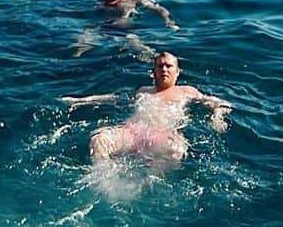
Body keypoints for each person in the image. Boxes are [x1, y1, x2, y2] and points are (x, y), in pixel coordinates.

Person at [62, 51, 230, 163]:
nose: (164, 69)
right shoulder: (143, 90)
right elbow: (115, 99)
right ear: (154, 71)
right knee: (99, 139)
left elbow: (218, 103)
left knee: (177, 149)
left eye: (169, 66)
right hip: (132, 131)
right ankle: (104, 178)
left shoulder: (187, 91)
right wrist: (81, 101)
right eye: (160, 66)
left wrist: (217, 117)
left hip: (162, 135)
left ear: (177, 71)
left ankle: (150, 181)